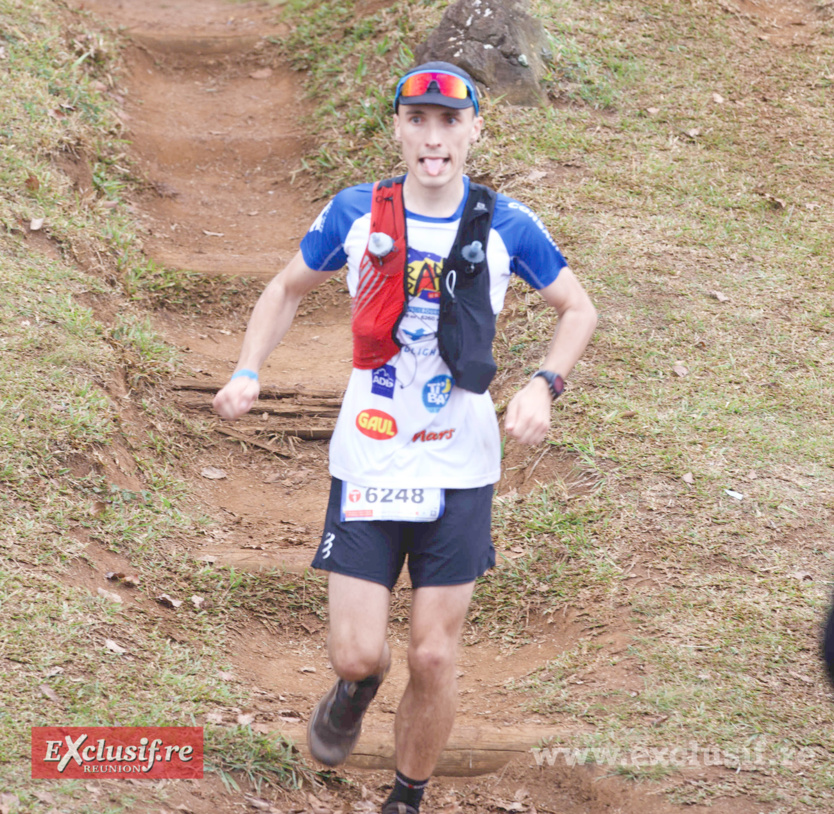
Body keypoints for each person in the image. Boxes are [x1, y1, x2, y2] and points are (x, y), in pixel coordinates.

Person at [213, 61, 597, 814]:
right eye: (417, 119)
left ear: (474, 130)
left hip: (461, 464)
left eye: (449, 121)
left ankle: (406, 798)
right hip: (371, 454)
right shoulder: (357, 212)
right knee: (358, 652)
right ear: (397, 128)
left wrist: (542, 385)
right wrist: (248, 369)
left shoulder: (506, 224)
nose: (432, 137)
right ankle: (356, 688)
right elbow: (286, 287)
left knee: (433, 653)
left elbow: (577, 309)